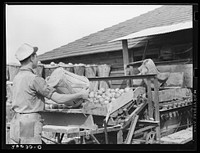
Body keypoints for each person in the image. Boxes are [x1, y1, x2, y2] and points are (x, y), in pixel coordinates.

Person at [9, 43, 89, 144]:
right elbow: (58, 99)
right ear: (31, 58)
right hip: (27, 123)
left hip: (15, 122)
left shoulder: (17, 77)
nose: (37, 59)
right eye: (36, 56)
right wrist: (80, 94)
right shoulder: (34, 79)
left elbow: (29, 98)